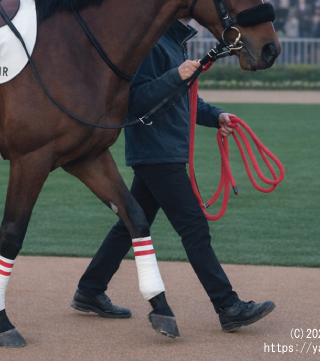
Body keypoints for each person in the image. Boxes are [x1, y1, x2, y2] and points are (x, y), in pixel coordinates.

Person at [70, 20, 276, 333]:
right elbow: (134, 102)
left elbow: (184, 100)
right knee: (194, 228)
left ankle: (90, 289)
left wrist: (217, 115)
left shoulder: (173, 43)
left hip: (161, 152)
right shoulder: (153, 43)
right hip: (157, 154)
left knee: (130, 224)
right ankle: (228, 306)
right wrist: (175, 75)